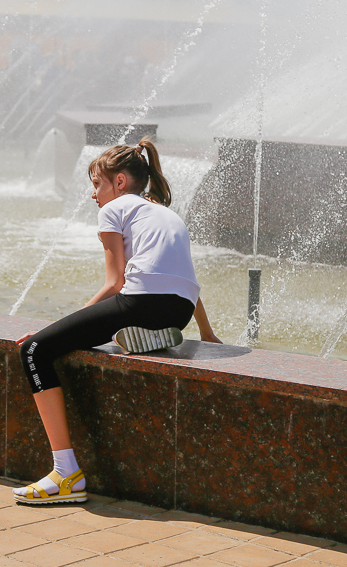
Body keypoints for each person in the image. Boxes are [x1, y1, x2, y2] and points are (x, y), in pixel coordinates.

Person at [13, 137, 221, 505]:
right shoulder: (162, 212)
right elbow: (184, 280)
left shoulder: (114, 210)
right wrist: (206, 332)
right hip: (179, 311)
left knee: (34, 351)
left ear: (120, 182)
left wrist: (49, 332)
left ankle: (66, 474)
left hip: (140, 304)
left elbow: (115, 283)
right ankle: (155, 335)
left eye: (97, 184)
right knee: (88, 335)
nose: (93, 194)